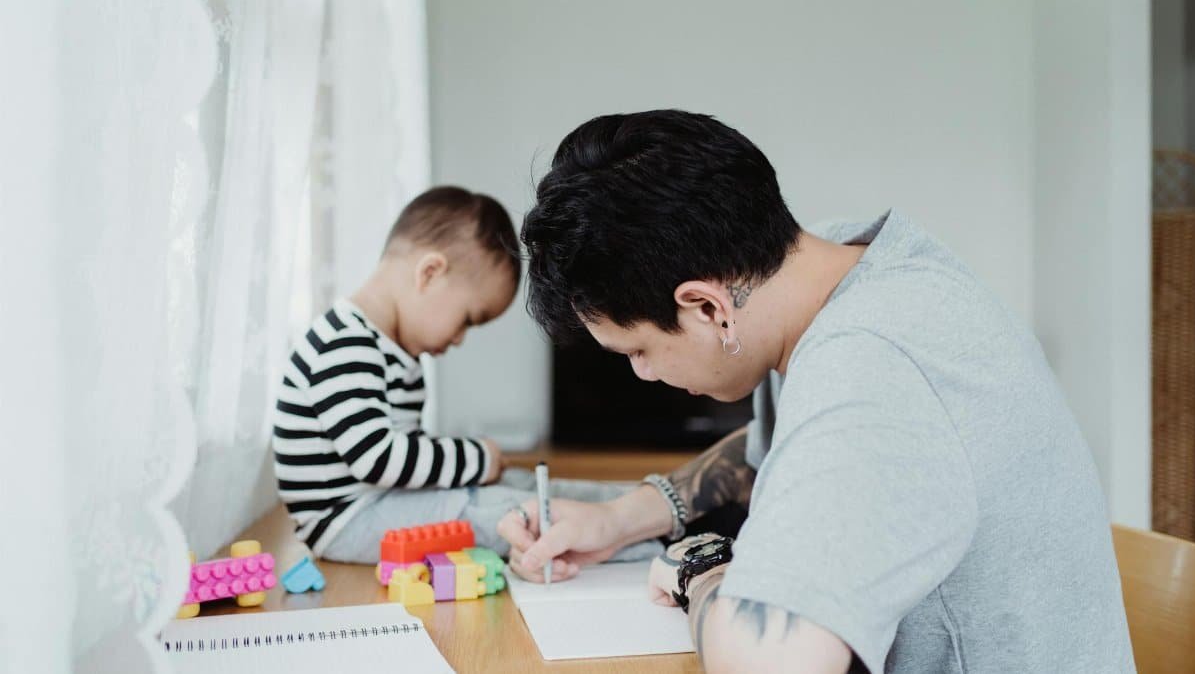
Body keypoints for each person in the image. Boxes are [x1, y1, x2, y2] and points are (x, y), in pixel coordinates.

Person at [500, 110, 1134, 673]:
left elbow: (774, 665)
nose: (641, 374)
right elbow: (806, 447)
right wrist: (625, 518)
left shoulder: (870, 369)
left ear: (705, 306)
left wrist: (703, 567)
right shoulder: (827, 267)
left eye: (637, 350)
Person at [272, 185, 660, 564]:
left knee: (525, 486)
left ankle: (635, 510)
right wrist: (475, 457)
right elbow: (378, 458)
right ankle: (651, 544)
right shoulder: (345, 344)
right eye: (467, 320)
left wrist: (477, 466)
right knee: (508, 511)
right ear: (430, 273)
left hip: (378, 501)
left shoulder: (389, 349)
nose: (458, 339)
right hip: (346, 520)